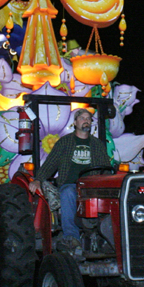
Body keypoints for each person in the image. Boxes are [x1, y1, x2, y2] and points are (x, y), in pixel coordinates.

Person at [29, 108, 111, 252]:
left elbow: (106, 167)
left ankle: (108, 237)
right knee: (67, 192)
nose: (86, 120)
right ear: (75, 122)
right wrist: (38, 179)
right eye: (82, 118)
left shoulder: (97, 145)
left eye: (88, 118)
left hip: (91, 187)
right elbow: (50, 164)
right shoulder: (65, 143)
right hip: (71, 185)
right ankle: (72, 238)